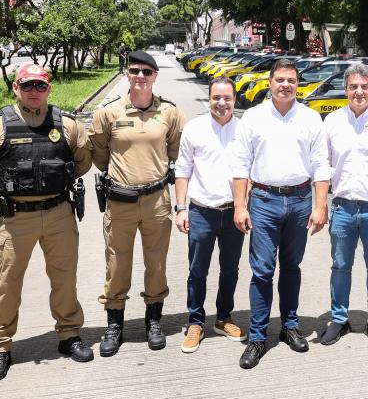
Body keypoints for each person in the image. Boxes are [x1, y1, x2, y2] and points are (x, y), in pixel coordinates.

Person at [0, 63, 94, 382]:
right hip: (15, 218)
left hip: (58, 213)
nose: (34, 92)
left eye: (40, 86)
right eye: (27, 86)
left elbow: (82, 161)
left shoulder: (68, 123)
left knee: (64, 279)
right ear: (15, 88)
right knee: (7, 282)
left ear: (49, 88)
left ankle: (69, 336)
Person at [231, 58, 332, 369]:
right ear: (270, 82)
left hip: (301, 200)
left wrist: (320, 205)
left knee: (291, 267)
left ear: (297, 84)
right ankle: (258, 337)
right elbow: (240, 164)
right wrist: (239, 205)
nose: (285, 85)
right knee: (262, 271)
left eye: (291, 80)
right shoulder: (253, 118)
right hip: (263, 200)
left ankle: (289, 326)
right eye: (280, 80)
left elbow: (320, 165)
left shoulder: (311, 119)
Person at [89, 50, 186, 356]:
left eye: (147, 71)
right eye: (135, 71)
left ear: (155, 75)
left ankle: (153, 321)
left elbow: (178, 151)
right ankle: (114, 324)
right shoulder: (108, 113)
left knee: (156, 264)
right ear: (126, 74)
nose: (140, 76)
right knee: (117, 265)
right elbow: (100, 154)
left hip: (157, 200)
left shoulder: (169, 112)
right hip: (120, 201)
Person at [320, 64, 368, 349]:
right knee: (340, 265)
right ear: (345, 90)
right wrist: (322, 205)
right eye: (353, 87)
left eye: (364, 87)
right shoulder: (331, 122)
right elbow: (322, 167)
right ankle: (339, 319)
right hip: (342, 207)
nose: (359, 92)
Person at [173, 77, 247, 353]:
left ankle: (224, 317)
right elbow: (183, 170)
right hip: (201, 211)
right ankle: (196, 321)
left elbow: (249, 170)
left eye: (227, 98)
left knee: (230, 269)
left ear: (234, 99)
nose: (222, 103)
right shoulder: (194, 129)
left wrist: (244, 206)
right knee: (197, 270)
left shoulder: (244, 130)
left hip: (232, 213)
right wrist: (181, 208)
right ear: (209, 98)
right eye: (217, 97)